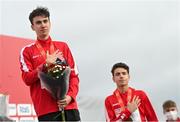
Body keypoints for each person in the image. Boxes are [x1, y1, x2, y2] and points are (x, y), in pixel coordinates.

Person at [19, 7, 80, 121]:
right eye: (38, 22)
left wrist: (70, 97)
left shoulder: (63, 46)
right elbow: (27, 79)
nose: (43, 25)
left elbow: (74, 75)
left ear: (50, 23)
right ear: (32, 27)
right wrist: (45, 65)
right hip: (46, 110)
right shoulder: (27, 51)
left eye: (45, 21)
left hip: (69, 106)